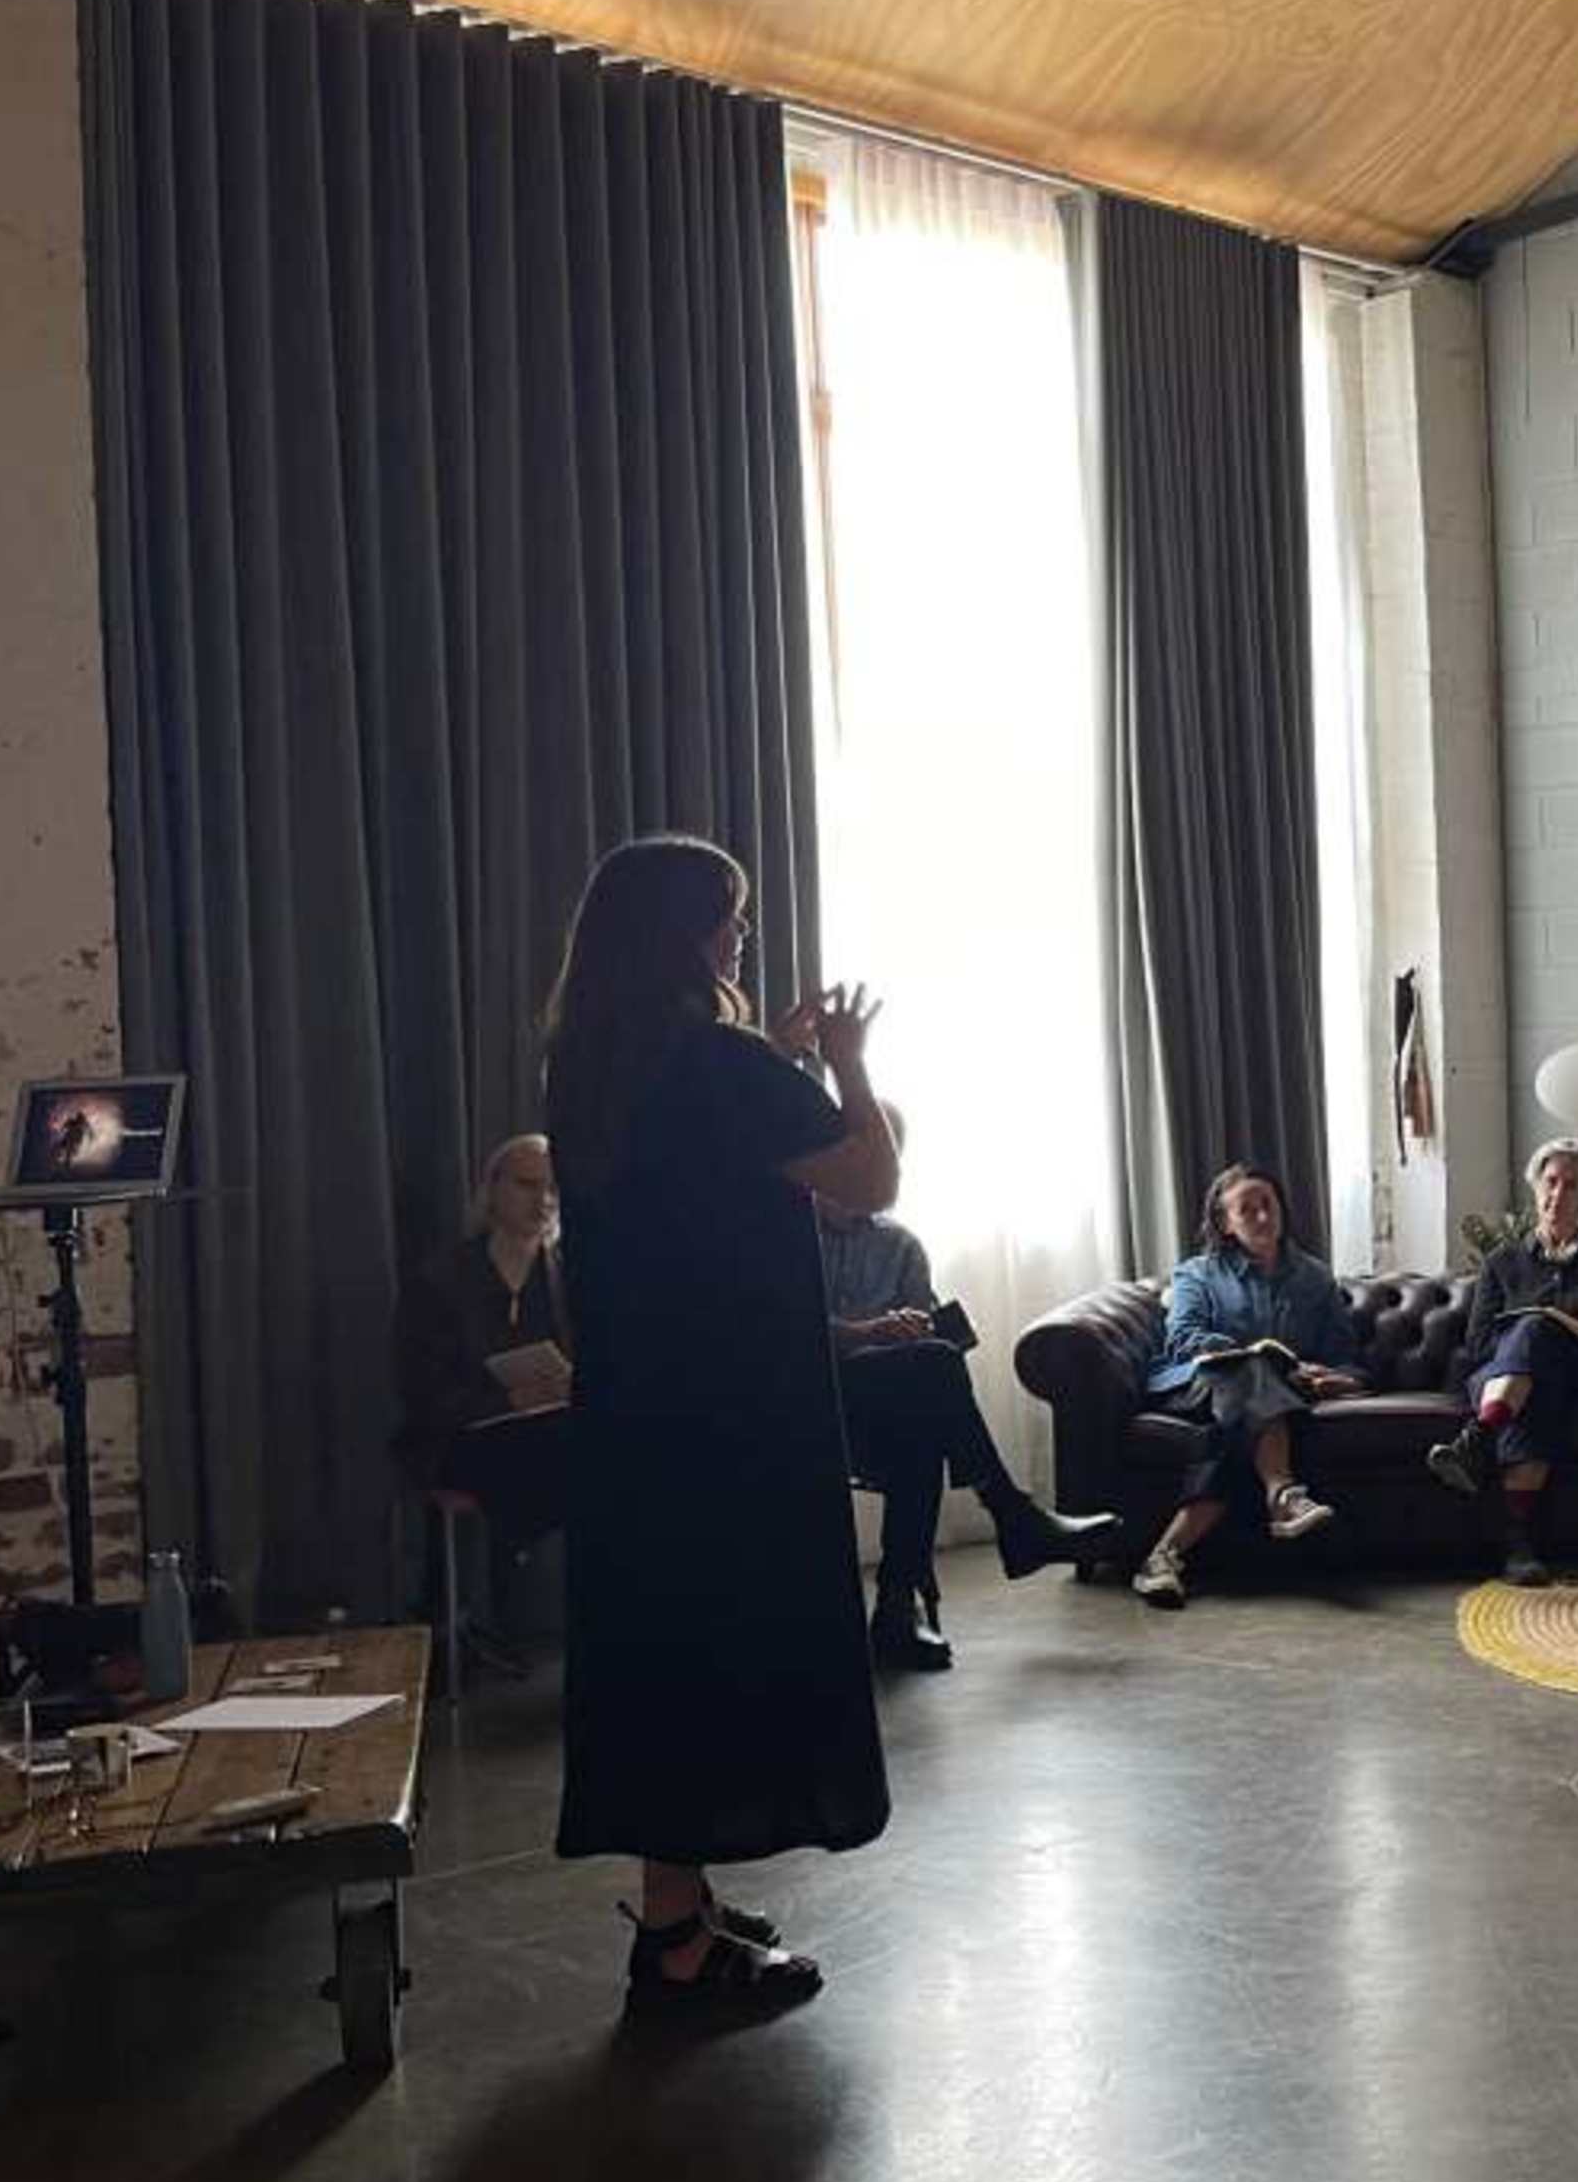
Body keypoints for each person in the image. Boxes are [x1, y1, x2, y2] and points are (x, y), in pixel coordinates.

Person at [543, 835, 893, 2019]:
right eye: (730, 918)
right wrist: (845, 1063)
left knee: (663, 1660)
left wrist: (777, 1055)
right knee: (731, 1649)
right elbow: (869, 1179)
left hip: (640, 1413)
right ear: (686, 932)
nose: (743, 935)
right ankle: (681, 1958)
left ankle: (674, 1913)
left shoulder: (592, 1060)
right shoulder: (719, 1059)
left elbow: (685, 1163)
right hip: (738, 1409)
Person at [818, 1104, 1111, 1672]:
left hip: (886, 1398)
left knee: (925, 1414)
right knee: (933, 1375)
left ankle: (901, 1609)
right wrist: (867, 1331)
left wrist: (919, 1328)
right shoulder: (785, 1232)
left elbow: (922, 1334)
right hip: (809, 1399)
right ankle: (1008, 1520)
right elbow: (783, 1331)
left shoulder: (900, 1244)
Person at [1128, 1163, 1364, 1608]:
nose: (1260, 1217)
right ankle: (1284, 1495)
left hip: (1258, 1405)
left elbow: (1345, 1356)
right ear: (1225, 1223)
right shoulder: (1196, 1275)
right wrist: (1251, 1353)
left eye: (1267, 1206)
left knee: (1237, 1432)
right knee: (1251, 1370)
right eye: (1246, 1209)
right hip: (1194, 1385)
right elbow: (1184, 1340)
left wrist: (1337, 1379)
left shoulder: (1314, 1278)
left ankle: (1161, 1558)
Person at [1427, 1138, 1578, 1585]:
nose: (1557, 1194)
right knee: (1533, 1363)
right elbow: (1479, 1343)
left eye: (1571, 1186)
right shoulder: (1502, 1263)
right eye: (1550, 1182)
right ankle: (1520, 1547)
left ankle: (1480, 1438)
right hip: (1500, 1378)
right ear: (1535, 1188)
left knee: (1538, 1334)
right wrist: (1529, 1340)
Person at [394, 1132, 572, 1554]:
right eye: (527, 1185)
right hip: (460, 1438)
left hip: (550, 1433)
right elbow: (422, 1395)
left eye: (552, 1188)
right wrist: (509, 1402)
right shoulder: (440, 1281)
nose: (542, 1200)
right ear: (492, 1189)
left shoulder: (569, 1280)